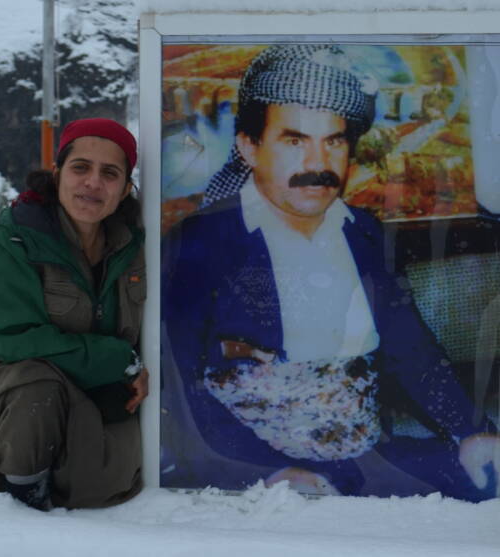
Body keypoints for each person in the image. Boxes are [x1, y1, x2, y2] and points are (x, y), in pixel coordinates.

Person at [161, 44, 500, 500]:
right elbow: (181, 391)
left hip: (368, 460)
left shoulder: (363, 233)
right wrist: (267, 474)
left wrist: (471, 431)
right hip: (255, 474)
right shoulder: (198, 241)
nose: (317, 165)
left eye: (334, 141)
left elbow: (411, 350)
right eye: (295, 141)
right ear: (248, 146)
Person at [0, 118, 148, 510]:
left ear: (125, 189)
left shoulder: (138, 244)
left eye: (110, 173)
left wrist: (142, 374)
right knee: (36, 387)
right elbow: (16, 338)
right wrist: (121, 361)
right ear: (57, 174)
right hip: (12, 393)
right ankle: (25, 496)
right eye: (80, 167)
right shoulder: (17, 236)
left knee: (110, 483)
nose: (93, 182)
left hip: (101, 395)